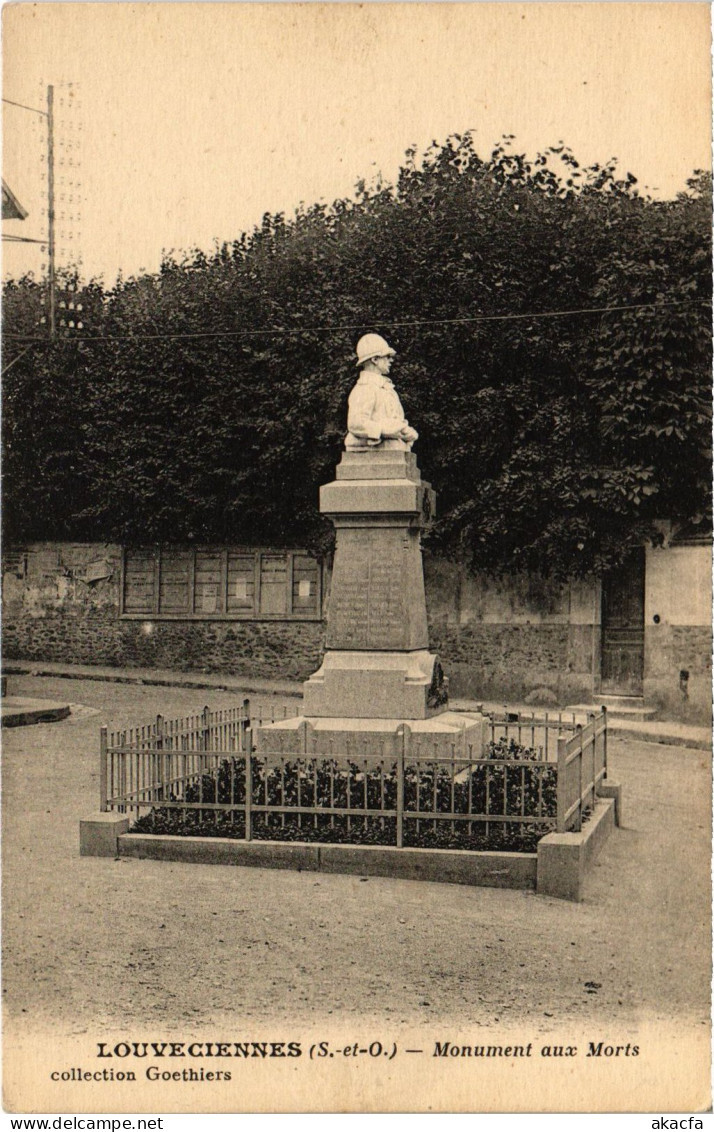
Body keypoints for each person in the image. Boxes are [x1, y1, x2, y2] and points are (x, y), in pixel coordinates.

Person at [345, 333, 419, 450]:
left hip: (395, 450)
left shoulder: (388, 389)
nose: (391, 360)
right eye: (387, 356)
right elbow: (355, 423)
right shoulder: (365, 388)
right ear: (374, 359)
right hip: (374, 448)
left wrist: (406, 431)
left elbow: (397, 420)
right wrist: (384, 430)